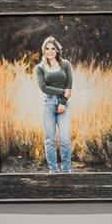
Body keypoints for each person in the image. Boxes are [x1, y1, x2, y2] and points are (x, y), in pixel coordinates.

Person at [36, 34, 73, 172]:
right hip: (48, 105)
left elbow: (69, 86)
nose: (50, 51)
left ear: (57, 50)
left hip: (64, 104)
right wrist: (63, 91)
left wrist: (63, 101)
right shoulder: (40, 67)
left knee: (64, 140)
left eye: (53, 48)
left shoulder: (65, 64)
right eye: (47, 48)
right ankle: (53, 171)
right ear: (43, 50)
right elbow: (44, 88)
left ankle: (66, 171)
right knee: (50, 140)